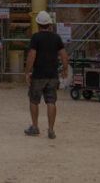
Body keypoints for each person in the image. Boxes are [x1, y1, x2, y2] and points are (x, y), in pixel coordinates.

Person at [24, 11, 69, 139]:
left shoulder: (36, 37)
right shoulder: (56, 38)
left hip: (38, 75)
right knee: (51, 101)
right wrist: (65, 70)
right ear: (49, 24)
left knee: (34, 100)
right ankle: (51, 130)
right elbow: (64, 55)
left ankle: (35, 127)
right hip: (53, 75)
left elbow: (32, 55)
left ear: (38, 24)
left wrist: (27, 72)